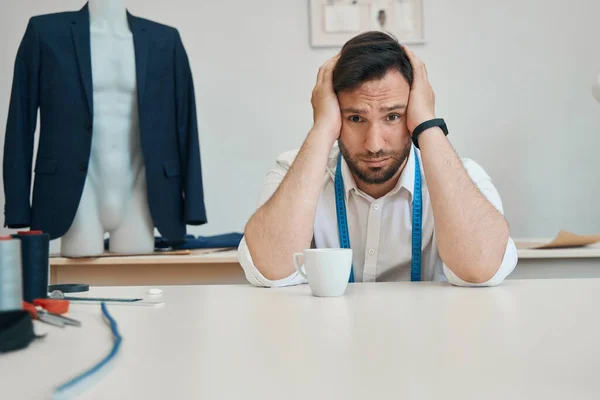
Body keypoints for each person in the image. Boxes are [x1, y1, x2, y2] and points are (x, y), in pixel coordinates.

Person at [238, 31, 517, 287]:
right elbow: (270, 270)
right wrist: (322, 128)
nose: (373, 144)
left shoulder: (462, 176)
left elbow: (483, 269)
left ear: (413, 112)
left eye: (393, 117)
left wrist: (428, 125)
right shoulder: (292, 170)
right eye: (355, 118)